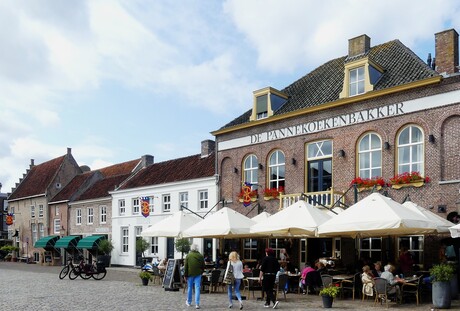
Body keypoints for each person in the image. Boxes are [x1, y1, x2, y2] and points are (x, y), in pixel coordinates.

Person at [184, 244, 205, 309]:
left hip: (190, 274)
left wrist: (185, 275)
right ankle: (197, 304)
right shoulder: (200, 256)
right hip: (198, 274)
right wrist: (201, 272)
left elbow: (186, 266)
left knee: (190, 287)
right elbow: (203, 265)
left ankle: (189, 302)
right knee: (197, 288)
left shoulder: (188, 255)